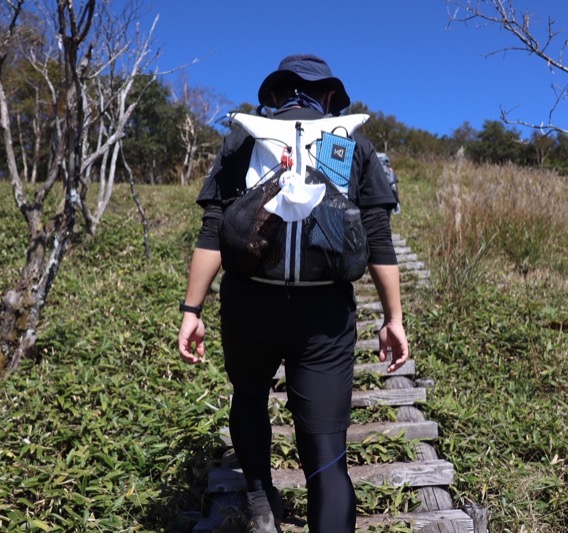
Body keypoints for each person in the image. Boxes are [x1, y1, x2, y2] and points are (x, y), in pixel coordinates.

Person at [177, 54, 409, 533]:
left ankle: (261, 497)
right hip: (324, 314)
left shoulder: (244, 139)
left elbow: (213, 230)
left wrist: (191, 309)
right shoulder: (352, 144)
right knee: (326, 449)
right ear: (330, 97)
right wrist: (393, 319)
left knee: (248, 397)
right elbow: (378, 238)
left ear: (275, 96)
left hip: (249, 304)